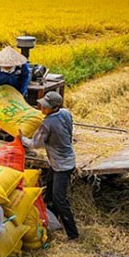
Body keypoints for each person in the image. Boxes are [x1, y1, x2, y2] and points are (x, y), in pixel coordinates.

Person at [20, 91, 79, 240]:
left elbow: (34, 144)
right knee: (50, 192)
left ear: (54, 108)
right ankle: (51, 221)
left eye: (45, 107)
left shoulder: (47, 124)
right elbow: (69, 132)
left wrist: (21, 138)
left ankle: (73, 234)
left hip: (61, 166)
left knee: (59, 199)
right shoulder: (65, 113)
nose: (42, 109)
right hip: (65, 160)